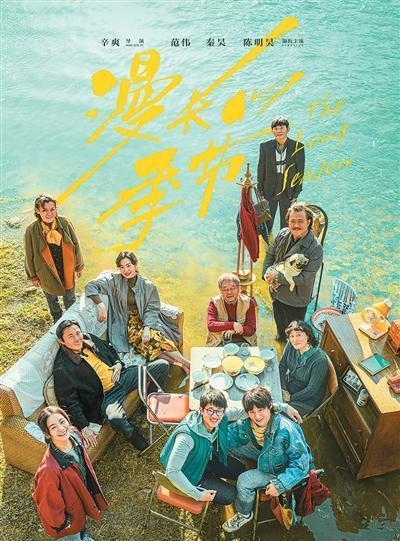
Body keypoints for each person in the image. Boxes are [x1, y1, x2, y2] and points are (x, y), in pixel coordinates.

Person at [159, 390, 302, 505]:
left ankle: (213, 477)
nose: (214, 416)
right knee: (231, 495)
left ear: (223, 411)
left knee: (239, 470)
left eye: (219, 411)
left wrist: (283, 407)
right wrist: (197, 494)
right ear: (201, 410)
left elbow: (250, 410)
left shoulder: (220, 417)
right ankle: (207, 483)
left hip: (206, 459)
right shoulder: (186, 438)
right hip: (190, 473)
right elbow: (172, 471)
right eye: (210, 410)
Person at [53, 319, 169, 451]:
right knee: (116, 419)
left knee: (162, 366)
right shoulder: (62, 368)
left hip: (122, 377)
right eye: (70, 336)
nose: (77, 338)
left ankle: (148, 405)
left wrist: (118, 363)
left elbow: (110, 348)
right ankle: (141, 444)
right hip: (106, 395)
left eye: (77, 332)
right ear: (61, 341)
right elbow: (68, 401)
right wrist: (83, 426)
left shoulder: (88, 338)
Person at [222, 387, 312, 533]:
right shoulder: (248, 423)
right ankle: (252, 474)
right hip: (266, 454)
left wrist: (280, 484)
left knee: (244, 481)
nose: (257, 416)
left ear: (269, 406)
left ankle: (244, 514)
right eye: (252, 412)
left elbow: (302, 464)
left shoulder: (286, 430)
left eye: (260, 410)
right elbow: (232, 435)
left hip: (280, 469)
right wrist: (210, 438)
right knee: (226, 446)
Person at [85, 251, 190, 374]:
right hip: (125, 324)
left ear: (135, 265)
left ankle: (186, 364)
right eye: (121, 267)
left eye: (128, 265)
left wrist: (147, 327)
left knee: (154, 338)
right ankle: (185, 364)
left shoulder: (147, 285)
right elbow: (90, 285)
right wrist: (101, 305)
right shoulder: (114, 280)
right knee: (146, 343)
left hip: (145, 320)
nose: (125, 270)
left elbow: (152, 307)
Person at [33, 406, 107, 540]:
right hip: (69, 519)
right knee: (73, 534)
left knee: (82, 525)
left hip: (81, 496)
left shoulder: (75, 434)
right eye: (53, 427)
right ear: (47, 434)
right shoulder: (48, 470)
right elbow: (49, 506)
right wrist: (64, 524)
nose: (61, 428)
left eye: (62, 421)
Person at [262, 202, 323, 341]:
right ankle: (280, 342)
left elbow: (305, 279)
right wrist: (265, 274)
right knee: (280, 328)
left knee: (296, 335)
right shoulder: (282, 234)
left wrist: (276, 276)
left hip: (296, 299)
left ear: (308, 222)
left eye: (300, 221)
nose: (296, 225)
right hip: (276, 292)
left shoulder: (315, 249)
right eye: (292, 221)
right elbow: (270, 254)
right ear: (288, 221)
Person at [24, 194, 84, 323]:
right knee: (51, 299)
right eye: (44, 210)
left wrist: (79, 265)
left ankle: (73, 320)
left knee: (70, 297)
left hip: (65, 267)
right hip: (45, 271)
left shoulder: (65, 223)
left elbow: (76, 244)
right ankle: (57, 319)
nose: (49, 213)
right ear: (37, 211)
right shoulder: (31, 230)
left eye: (52, 209)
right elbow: (29, 254)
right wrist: (33, 276)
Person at [257, 116, 305, 233]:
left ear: (288, 129)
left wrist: (296, 193)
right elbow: (261, 169)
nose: (279, 131)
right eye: (276, 128)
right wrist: (261, 192)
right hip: (269, 191)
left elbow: (300, 172)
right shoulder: (265, 146)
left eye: (282, 128)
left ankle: (283, 243)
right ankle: (268, 242)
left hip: (288, 192)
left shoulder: (298, 147)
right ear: (272, 130)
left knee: (286, 224)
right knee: (266, 224)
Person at [279, 320, 328, 416]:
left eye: (299, 335)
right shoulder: (291, 344)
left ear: (308, 335)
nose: (295, 339)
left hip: (306, 399)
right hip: (290, 385)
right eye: (292, 336)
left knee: (278, 414)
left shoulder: (320, 360)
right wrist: (283, 388)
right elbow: (282, 366)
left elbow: (312, 389)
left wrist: (290, 398)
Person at [206, 273, 257, 346]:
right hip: (219, 339)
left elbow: (251, 329)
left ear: (238, 289)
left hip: (244, 338)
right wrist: (233, 325)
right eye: (225, 289)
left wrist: (234, 330)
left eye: (233, 288)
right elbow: (211, 325)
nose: (229, 292)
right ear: (220, 291)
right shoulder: (213, 303)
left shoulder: (249, 302)